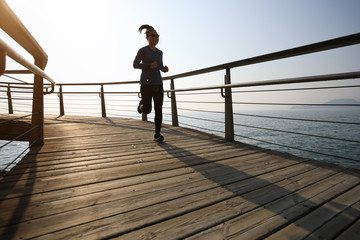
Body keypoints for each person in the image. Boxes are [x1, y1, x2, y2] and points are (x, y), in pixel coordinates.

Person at [133, 24, 169, 142]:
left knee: (158, 109)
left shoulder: (160, 53)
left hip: (158, 84)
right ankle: (141, 105)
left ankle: (157, 134)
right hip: (146, 84)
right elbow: (135, 64)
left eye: (157, 36)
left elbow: (159, 66)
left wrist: (164, 69)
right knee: (147, 110)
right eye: (153, 35)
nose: (155, 38)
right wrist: (148, 65)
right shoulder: (143, 51)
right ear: (147, 37)